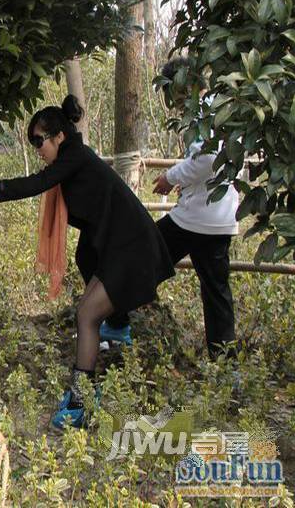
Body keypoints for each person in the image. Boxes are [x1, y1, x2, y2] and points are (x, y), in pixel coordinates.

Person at [0, 95, 174, 429]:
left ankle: (81, 403)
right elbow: (87, 246)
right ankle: (117, 328)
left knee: (87, 314)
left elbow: (36, 183)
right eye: (33, 143)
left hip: (133, 247)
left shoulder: (75, 157)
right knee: (86, 291)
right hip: (122, 245)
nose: (37, 148)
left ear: (59, 136)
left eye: (39, 141)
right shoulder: (75, 159)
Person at [101, 58, 240, 360]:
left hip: (195, 218)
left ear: (188, 86)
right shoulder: (226, 108)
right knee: (217, 293)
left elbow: (206, 160)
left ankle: (115, 323)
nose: (176, 105)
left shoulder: (206, 111)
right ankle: (226, 365)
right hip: (218, 217)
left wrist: (170, 177)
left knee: (141, 257)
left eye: (176, 96)